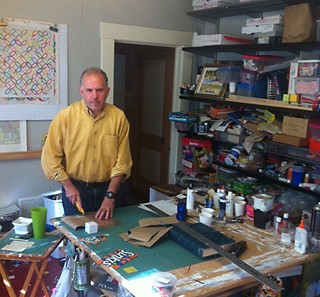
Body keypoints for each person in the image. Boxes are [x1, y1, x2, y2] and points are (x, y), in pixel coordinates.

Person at [41, 67, 133, 220]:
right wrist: (68, 187)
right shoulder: (65, 117)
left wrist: (110, 196)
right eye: (89, 90)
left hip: (108, 190)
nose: (94, 96)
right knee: (78, 237)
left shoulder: (119, 118)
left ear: (108, 91)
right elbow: (49, 159)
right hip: (75, 191)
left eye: (99, 90)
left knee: (109, 236)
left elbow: (123, 163)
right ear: (81, 91)